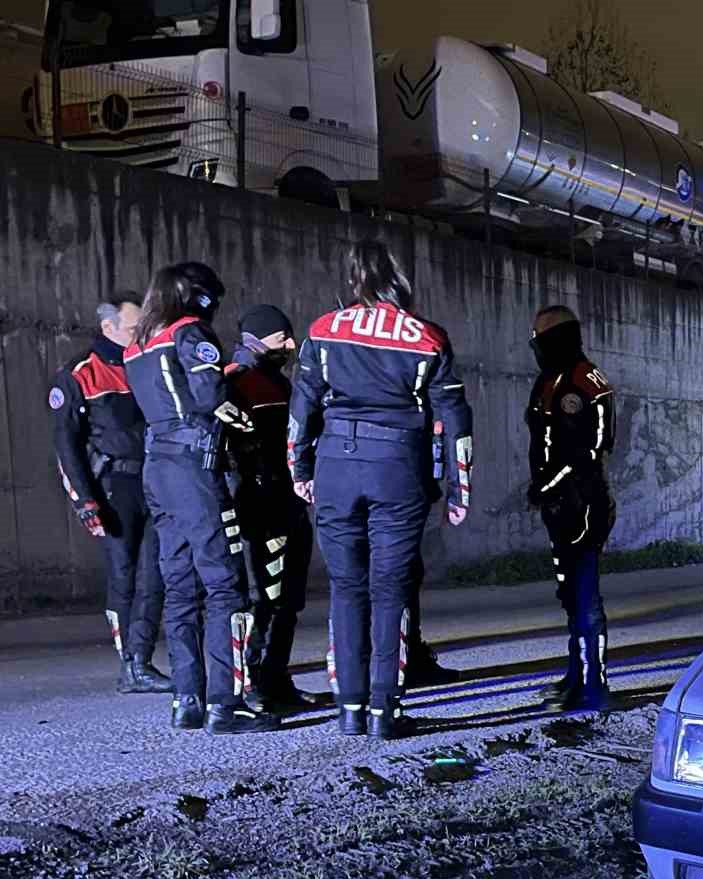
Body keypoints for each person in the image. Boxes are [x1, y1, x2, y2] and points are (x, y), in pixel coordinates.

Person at [289, 239, 472, 739]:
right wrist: (459, 490)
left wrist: (300, 469)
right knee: (389, 591)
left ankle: (348, 708)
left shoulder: (322, 331)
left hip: (334, 466)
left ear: (351, 277)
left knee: (346, 588)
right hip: (397, 466)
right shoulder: (426, 337)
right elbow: (455, 418)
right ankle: (383, 712)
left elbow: (301, 409)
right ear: (398, 276)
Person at [123, 264, 279, 734]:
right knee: (225, 586)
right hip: (195, 467)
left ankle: (186, 700)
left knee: (179, 589)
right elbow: (210, 394)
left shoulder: (136, 346)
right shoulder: (190, 333)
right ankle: (224, 706)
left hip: (157, 467)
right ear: (199, 297)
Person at [49, 290, 171, 695]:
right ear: (108, 327)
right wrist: (85, 502)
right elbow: (66, 446)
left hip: (155, 480)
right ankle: (129, 664)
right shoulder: (79, 375)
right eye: (134, 329)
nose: (141, 335)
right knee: (124, 574)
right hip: (114, 487)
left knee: (156, 573)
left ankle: (142, 660)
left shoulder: (148, 364)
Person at [223, 305, 315, 709]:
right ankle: (254, 682)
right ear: (256, 341)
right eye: (282, 338)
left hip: (287, 500)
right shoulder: (236, 383)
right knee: (265, 596)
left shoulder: (277, 382)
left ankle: (276, 678)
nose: (291, 345)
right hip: (259, 504)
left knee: (290, 598)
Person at [525, 305, 616, 711]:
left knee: (584, 594)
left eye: (540, 337)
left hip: (581, 502)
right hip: (563, 501)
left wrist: (546, 485)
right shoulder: (557, 378)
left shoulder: (577, 381)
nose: (536, 346)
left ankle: (593, 686)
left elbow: (587, 450)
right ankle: (577, 674)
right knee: (571, 592)